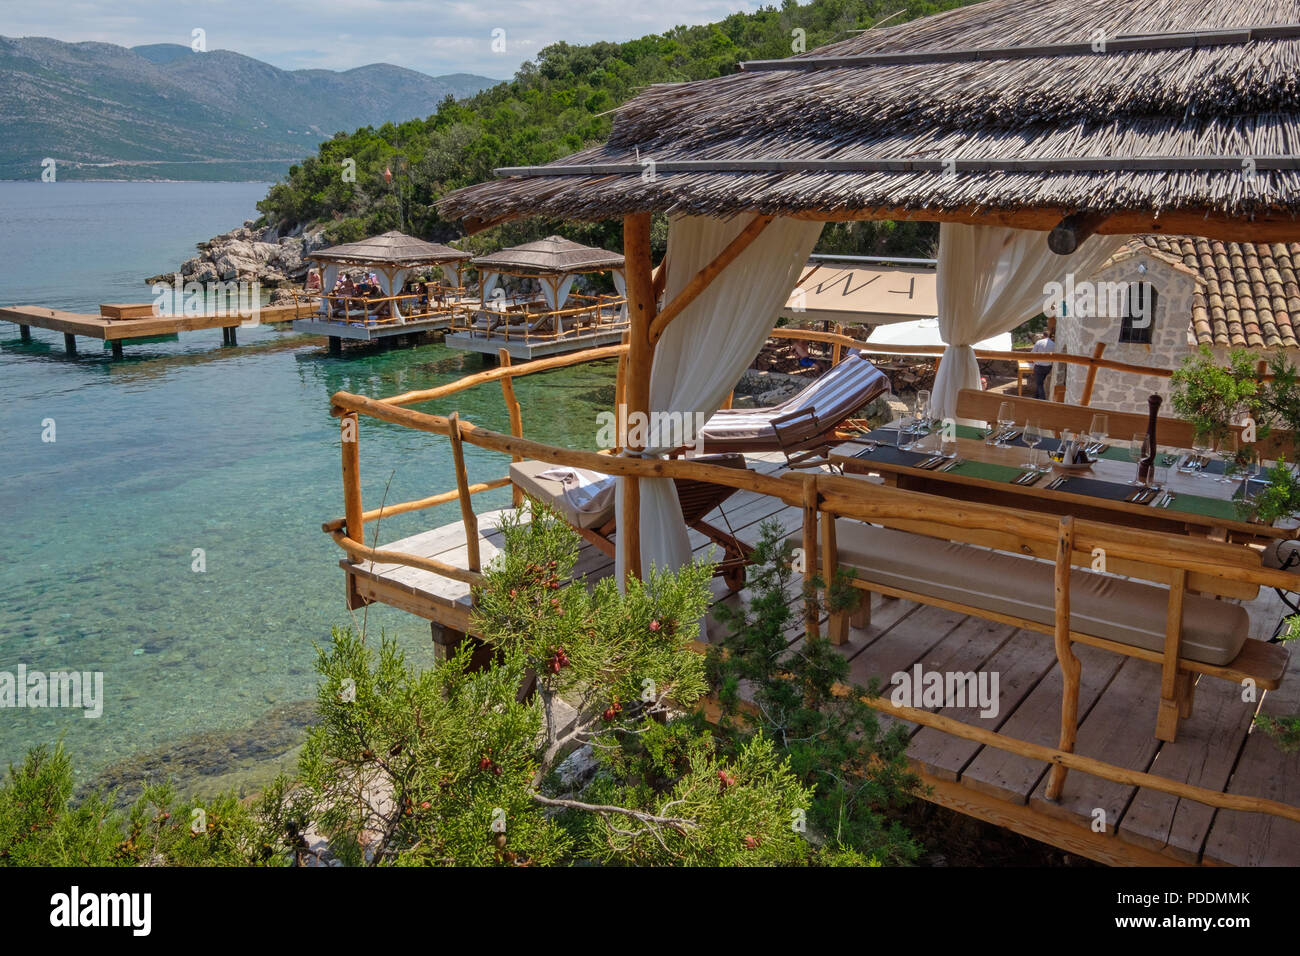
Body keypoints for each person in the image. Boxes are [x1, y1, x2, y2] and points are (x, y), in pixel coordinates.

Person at [1031, 331, 1056, 400]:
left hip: (1039, 366)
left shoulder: (1039, 342)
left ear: (1043, 336)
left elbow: (1032, 353)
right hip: (1048, 366)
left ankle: (1042, 399)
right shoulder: (1054, 344)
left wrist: (1034, 361)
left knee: (1039, 383)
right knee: (1040, 382)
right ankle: (1036, 396)